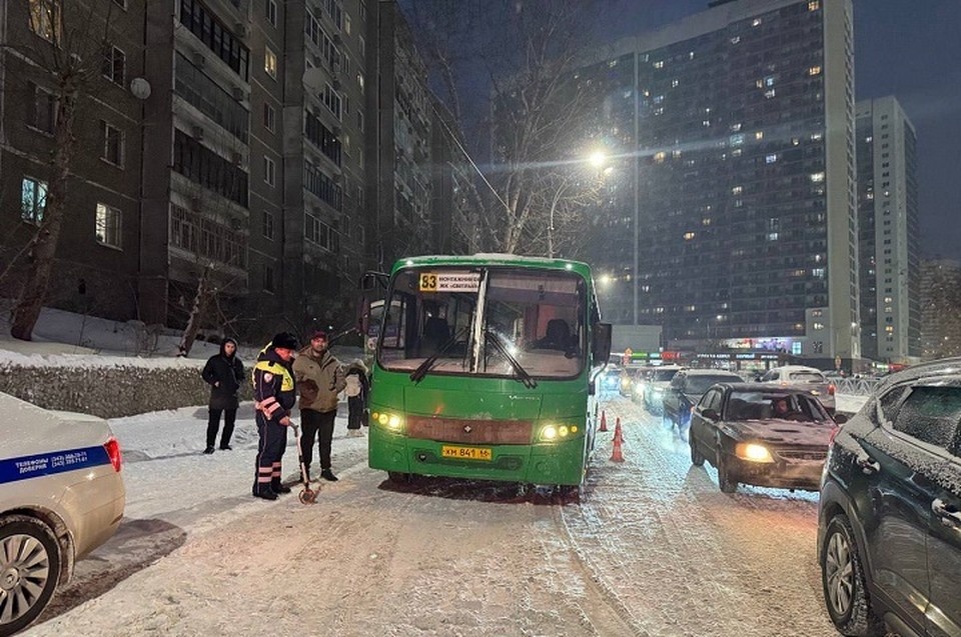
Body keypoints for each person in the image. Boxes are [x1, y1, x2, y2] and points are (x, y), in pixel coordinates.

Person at [293, 330, 346, 481]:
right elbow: (294, 380)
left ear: (326, 343)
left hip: (329, 408)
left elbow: (341, 380)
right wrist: (304, 388)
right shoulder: (301, 361)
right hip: (309, 407)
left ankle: (326, 468)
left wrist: (334, 391)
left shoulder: (333, 361)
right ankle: (305, 470)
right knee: (307, 441)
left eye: (322, 341)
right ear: (312, 342)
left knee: (326, 441)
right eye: (317, 341)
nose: (320, 343)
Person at [251, 332, 299, 500]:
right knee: (268, 450)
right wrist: (280, 415)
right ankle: (262, 486)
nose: (290, 354)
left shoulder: (282, 365)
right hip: (269, 415)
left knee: (278, 449)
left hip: (280, 414)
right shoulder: (267, 367)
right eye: (288, 351)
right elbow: (266, 396)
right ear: (278, 350)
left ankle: (274, 482)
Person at [200, 337, 245, 454]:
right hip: (217, 395)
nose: (230, 349)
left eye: (232, 347)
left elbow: (242, 377)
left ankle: (224, 443)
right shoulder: (214, 360)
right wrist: (214, 381)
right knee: (213, 422)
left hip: (232, 395)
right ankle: (210, 445)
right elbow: (205, 373)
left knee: (230, 422)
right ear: (223, 346)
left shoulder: (237, 362)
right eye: (228, 346)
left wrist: (237, 384)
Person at [344, 359, 370, 436]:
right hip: (359, 395)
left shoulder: (349, 372)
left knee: (351, 412)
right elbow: (366, 385)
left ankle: (350, 429)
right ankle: (356, 430)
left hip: (350, 395)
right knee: (358, 412)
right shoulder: (361, 373)